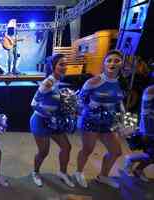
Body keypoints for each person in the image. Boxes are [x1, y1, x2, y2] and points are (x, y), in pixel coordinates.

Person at [74, 50, 125, 189]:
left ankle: (103, 176)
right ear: (104, 64)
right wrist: (92, 107)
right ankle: (78, 173)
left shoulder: (121, 83)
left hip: (107, 124)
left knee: (116, 151)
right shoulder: (94, 81)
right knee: (87, 150)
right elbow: (78, 101)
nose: (112, 63)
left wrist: (122, 121)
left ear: (121, 64)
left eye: (116, 60)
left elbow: (119, 103)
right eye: (109, 60)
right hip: (90, 122)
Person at [30, 54, 75, 188]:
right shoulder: (48, 82)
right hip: (40, 121)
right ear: (53, 66)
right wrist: (49, 114)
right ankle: (35, 172)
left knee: (66, 147)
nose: (64, 67)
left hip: (54, 122)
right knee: (44, 152)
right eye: (61, 64)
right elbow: (33, 103)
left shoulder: (58, 80)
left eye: (65, 64)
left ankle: (62, 173)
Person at [120, 85, 154, 182]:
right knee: (151, 154)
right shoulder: (151, 90)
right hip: (149, 128)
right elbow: (145, 113)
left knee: (151, 154)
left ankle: (138, 169)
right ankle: (131, 160)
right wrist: (146, 131)